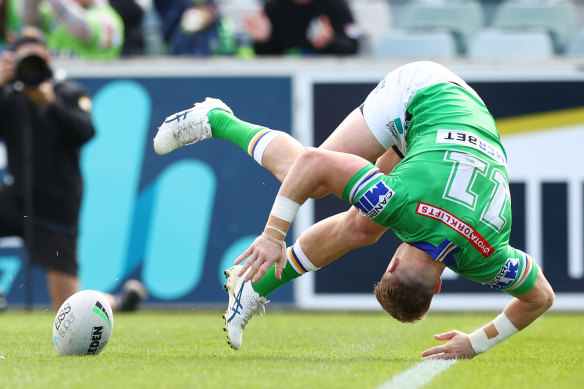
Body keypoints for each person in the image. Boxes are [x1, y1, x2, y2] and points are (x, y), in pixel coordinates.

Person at [152, 61, 555, 359]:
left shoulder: (486, 256)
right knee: (308, 178)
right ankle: (217, 119)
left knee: (364, 228)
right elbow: (313, 163)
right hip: (423, 94)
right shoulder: (400, 206)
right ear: (397, 269)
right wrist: (272, 235)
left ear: (438, 284)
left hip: (466, 125)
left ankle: (253, 286)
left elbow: (540, 296)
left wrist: (477, 342)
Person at [0, 27, 146, 310]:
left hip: (56, 207)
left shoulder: (68, 91)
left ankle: (117, 302)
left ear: (49, 58)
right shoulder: (8, 97)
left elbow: (86, 131)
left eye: (36, 59)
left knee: (68, 307)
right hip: (17, 198)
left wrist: (49, 103)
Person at [244, 0, 360, 56]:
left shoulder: (336, 5)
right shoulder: (273, 7)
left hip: (326, 83)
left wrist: (330, 41)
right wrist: (264, 40)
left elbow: (352, 46)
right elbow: (266, 58)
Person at [23, 0, 124, 59]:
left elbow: (82, 28)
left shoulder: (107, 17)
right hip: (56, 86)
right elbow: (28, 18)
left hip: (92, 85)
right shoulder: (52, 11)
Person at [155, 0, 236, 56]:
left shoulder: (220, 27)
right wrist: (185, 29)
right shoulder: (181, 29)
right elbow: (175, 52)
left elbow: (227, 53)